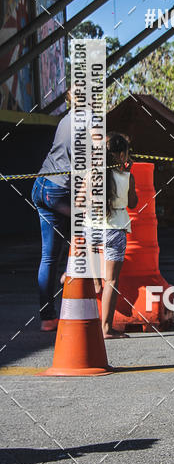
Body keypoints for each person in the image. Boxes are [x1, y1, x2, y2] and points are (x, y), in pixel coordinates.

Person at [86, 133, 137, 338]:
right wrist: (128, 174)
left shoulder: (92, 175)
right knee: (112, 281)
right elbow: (132, 203)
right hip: (115, 229)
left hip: (92, 227)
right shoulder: (127, 177)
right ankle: (106, 328)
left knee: (91, 244)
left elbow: (84, 200)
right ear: (123, 154)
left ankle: (95, 279)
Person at [31, 90, 72, 331]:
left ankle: (48, 318)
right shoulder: (89, 122)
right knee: (91, 222)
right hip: (57, 190)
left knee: (48, 256)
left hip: (41, 184)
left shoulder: (65, 119)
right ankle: (71, 272)